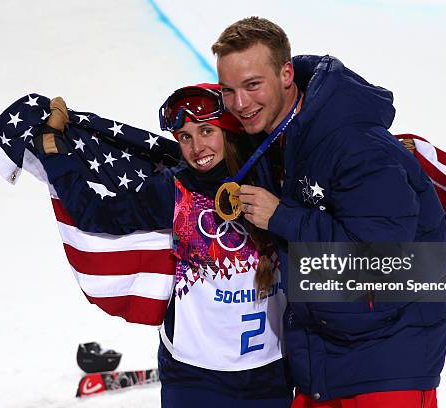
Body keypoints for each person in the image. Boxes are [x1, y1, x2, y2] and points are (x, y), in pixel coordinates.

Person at [211, 17, 446, 407]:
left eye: (252, 85)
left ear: (286, 73)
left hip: (387, 365)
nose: (240, 104)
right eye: (229, 90)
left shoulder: (355, 143)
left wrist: (282, 217)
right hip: (321, 359)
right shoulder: (275, 136)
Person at [34, 84, 292, 407]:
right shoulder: (173, 189)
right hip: (195, 378)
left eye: (206, 131)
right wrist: (54, 153)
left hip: (268, 374)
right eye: (185, 137)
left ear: (228, 129)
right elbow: (96, 215)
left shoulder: (274, 174)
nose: (197, 147)